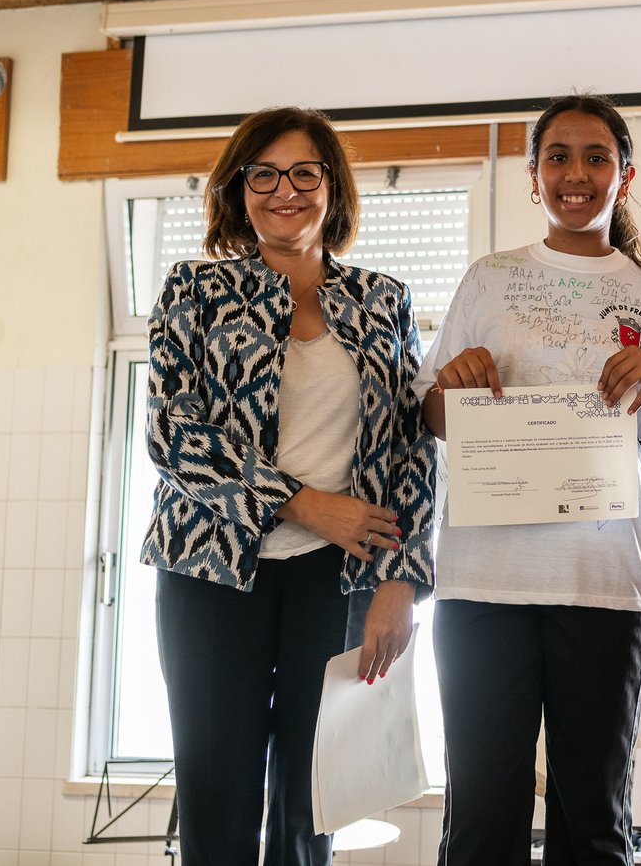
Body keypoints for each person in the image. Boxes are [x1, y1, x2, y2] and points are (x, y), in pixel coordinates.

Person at [419, 93, 641, 865]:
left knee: (593, 818)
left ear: (624, 175)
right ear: (533, 175)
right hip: (484, 581)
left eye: (595, 157)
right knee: (482, 816)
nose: (576, 173)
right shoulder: (489, 278)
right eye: (558, 157)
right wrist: (452, 381)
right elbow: (437, 420)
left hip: (606, 581)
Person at [144, 106, 435, 865]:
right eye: (264, 174)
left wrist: (402, 581)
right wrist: (304, 504)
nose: (285, 190)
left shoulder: (383, 300)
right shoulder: (192, 290)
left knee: (313, 804)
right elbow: (172, 434)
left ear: (332, 188)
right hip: (209, 573)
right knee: (217, 796)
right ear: (237, 190)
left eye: (305, 173)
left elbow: (411, 449)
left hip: (339, 579)